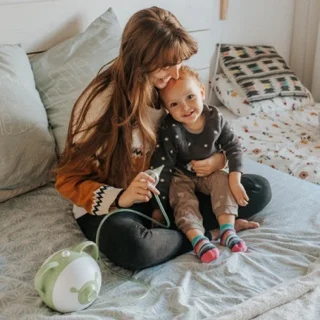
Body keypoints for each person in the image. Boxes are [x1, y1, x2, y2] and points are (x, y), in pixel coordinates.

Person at [55, 6, 272, 270]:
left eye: (178, 62)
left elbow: (197, 140)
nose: (177, 72)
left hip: (167, 195)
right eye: (168, 65)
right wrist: (122, 196)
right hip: (116, 206)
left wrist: (219, 161)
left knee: (257, 189)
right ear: (140, 60)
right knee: (134, 246)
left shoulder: (168, 87)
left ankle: (195, 232)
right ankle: (208, 234)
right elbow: (68, 180)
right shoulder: (100, 104)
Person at [150, 65, 254, 263]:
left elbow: (233, 147)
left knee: (227, 182)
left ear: (202, 92)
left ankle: (227, 231)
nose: (185, 108)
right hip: (182, 176)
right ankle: (197, 239)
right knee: (182, 200)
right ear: (167, 109)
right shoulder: (170, 129)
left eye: (190, 97)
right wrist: (157, 207)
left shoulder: (216, 118)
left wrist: (235, 179)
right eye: (174, 104)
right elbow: (163, 168)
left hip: (211, 174)